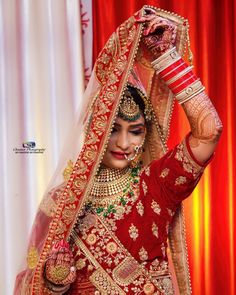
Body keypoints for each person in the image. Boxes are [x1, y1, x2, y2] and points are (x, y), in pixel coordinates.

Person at [14, 5, 222, 294]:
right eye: (114, 130)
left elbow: (209, 131)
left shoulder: (156, 186)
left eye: (135, 131)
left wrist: (166, 57)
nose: (124, 144)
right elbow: (29, 284)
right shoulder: (62, 202)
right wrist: (54, 281)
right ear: (94, 128)